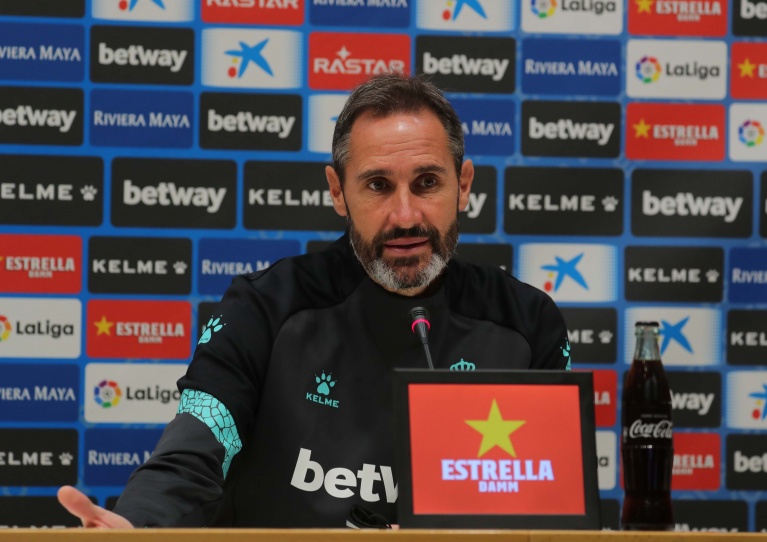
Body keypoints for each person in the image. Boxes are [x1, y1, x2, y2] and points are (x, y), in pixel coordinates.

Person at [58, 73, 571, 528]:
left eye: (427, 182)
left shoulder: (528, 324)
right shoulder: (264, 307)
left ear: (464, 186)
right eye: (378, 185)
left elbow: (554, 506)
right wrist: (138, 524)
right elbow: (195, 449)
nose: (406, 215)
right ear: (338, 192)